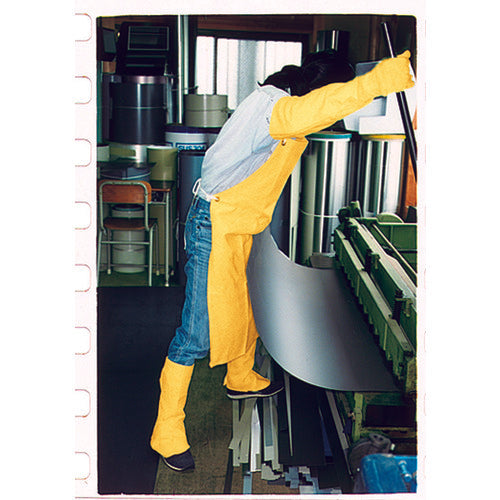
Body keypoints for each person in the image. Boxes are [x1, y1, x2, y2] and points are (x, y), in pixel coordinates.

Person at [150, 49, 415, 472]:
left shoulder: (278, 100)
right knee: (197, 332)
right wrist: (380, 80)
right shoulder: (276, 109)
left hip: (242, 221)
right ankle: (166, 430)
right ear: (321, 89)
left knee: (247, 306)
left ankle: (240, 376)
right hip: (214, 224)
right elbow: (317, 109)